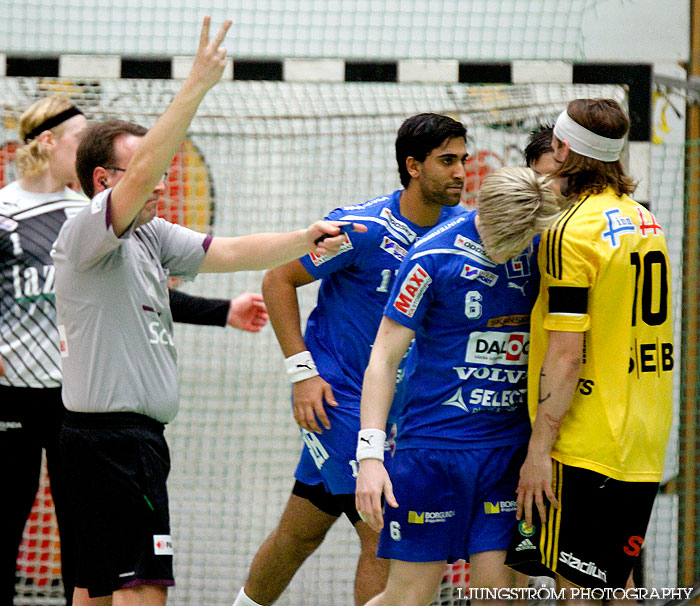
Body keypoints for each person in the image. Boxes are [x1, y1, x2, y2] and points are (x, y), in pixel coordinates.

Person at [51, 17, 355, 606]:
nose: (160, 182)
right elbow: (140, 175)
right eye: (146, 172)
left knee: (95, 587)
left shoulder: (149, 235)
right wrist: (196, 85)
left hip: (116, 440)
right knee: (142, 587)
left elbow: (233, 251)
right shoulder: (87, 230)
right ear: (102, 180)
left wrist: (306, 236)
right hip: (113, 443)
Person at [0, 94, 267, 605]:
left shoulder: (117, 224)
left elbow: (160, 289)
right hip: (30, 398)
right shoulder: (62, 222)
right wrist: (198, 86)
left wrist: (225, 308)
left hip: (72, 400)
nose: (159, 180)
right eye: (77, 136)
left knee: (90, 568)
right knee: (121, 573)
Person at [232, 112, 469, 606]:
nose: (461, 172)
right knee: (382, 534)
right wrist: (302, 373)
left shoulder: (460, 233)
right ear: (412, 166)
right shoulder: (361, 229)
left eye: (463, 159)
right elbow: (278, 279)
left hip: (399, 414)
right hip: (339, 400)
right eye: (447, 160)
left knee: (300, 531)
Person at [354, 166, 561, 606]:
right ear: (483, 211)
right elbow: (383, 358)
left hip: (508, 455)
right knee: (409, 596)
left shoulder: (544, 249)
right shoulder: (431, 257)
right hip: (431, 452)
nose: (514, 249)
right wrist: (370, 454)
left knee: (498, 595)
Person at [503, 99, 673, 596]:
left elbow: (565, 353)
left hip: (586, 437)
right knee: (613, 585)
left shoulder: (569, 231)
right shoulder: (645, 221)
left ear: (561, 149)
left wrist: (539, 449)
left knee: (577, 588)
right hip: (643, 434)